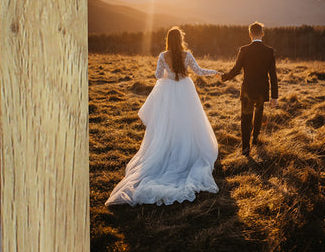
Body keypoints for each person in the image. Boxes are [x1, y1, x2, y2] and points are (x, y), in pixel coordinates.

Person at [106, 27, 220, 206]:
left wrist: (168, 72)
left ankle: (171, 147)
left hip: (168, 92)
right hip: (185, 90)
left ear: (167, 39)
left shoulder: (162, 55)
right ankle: (186, 148)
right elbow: (198, 71)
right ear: (180, 39)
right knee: (187, 122)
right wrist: (214, 72)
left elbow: (158, 75)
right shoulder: (187, 55)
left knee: (168, 124)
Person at [221, 21, 278, 158]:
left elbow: (236, 70)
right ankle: (256, 139)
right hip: (262, 91)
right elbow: (273, 76)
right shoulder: (269, 52)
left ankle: (246, 149)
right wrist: (274, 97)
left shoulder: (244, 50)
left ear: (250, 34)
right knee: (258, 116)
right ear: (262, 34)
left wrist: (224, 77)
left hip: (247, 91)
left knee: (245, 119)